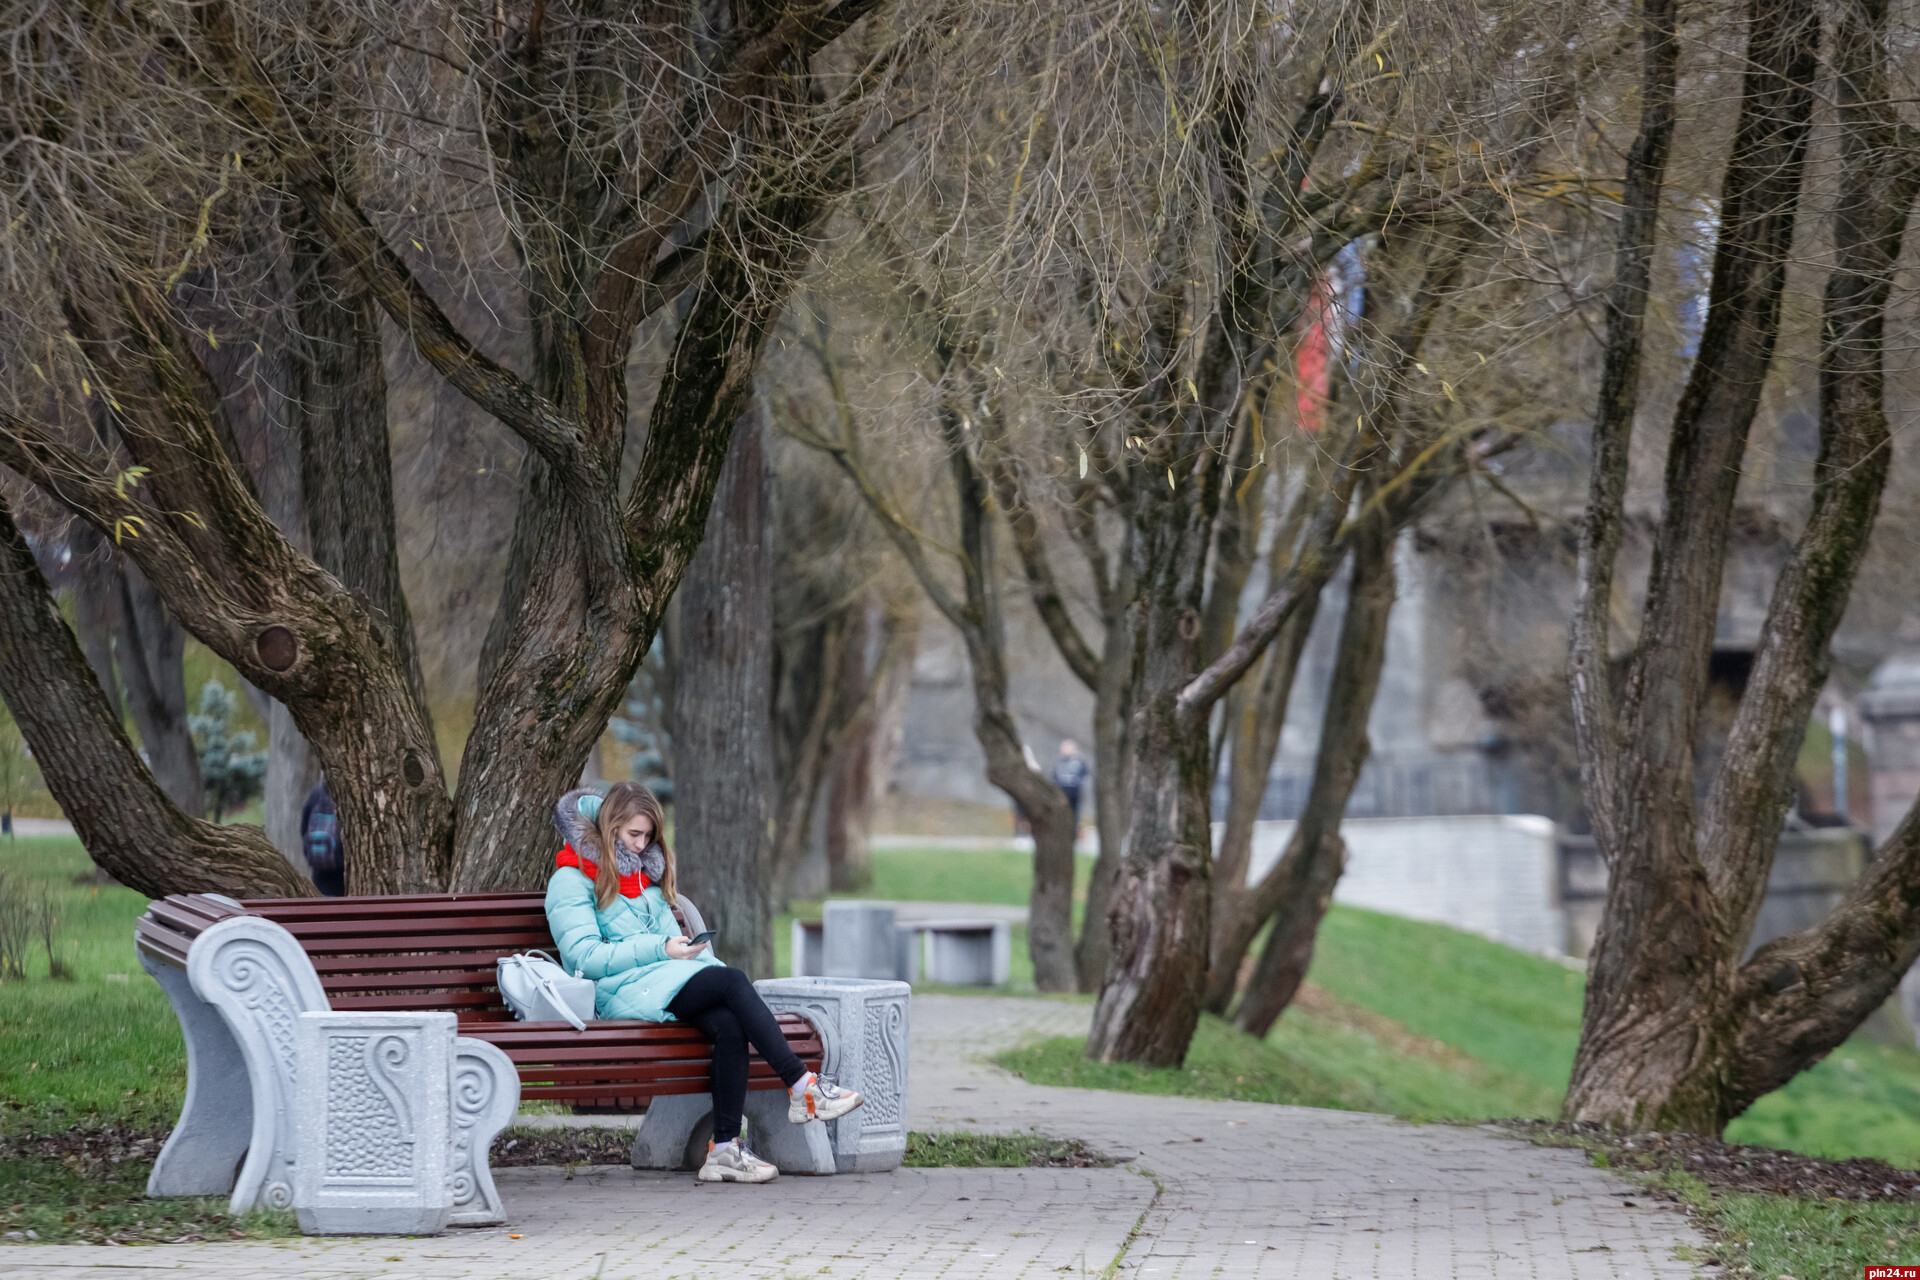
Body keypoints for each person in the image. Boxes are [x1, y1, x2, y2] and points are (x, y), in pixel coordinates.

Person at [545, 782, 864, 1183]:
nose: (642, 846)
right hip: (619, 992)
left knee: (729, 1023)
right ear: (609, 829)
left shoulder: (642, 877)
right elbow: (584, 958)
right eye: (634, 835)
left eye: (648, 836)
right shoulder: (570, 880)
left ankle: (726, 1149)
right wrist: (660, 948)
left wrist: (691, 955)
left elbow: (669, 945)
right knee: (731, 981)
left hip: (663, 980)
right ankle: (802, 1086)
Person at [301, 780, 345, 897]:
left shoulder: (317, 795)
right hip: (343, 873)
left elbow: (304, 830)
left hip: (320, 873)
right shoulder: (349, 798)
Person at [1051, 739, 1090, 827]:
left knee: (1074, 818)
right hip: (1061, 793)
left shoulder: (1079, 762)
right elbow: (1054, 778)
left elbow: (1084, 776)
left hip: (1074, 794)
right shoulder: (1060, 763)